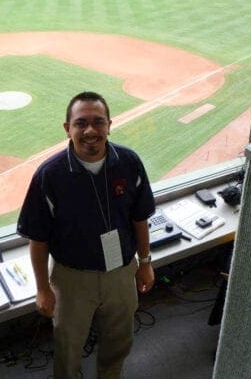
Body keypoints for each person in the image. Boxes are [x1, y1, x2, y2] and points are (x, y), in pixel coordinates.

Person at [17, 91, 155, 379]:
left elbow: (139, 218)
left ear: (109, 125)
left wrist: (146, 262)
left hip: (120, 273)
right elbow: (38, 238)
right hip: (72, 281)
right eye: (81, 123)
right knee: (68, 347)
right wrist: (42, 288)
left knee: (119, 342)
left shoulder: (129, 163)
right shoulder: (49, 175)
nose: (90, 130)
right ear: (68, 128)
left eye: (98, 122)